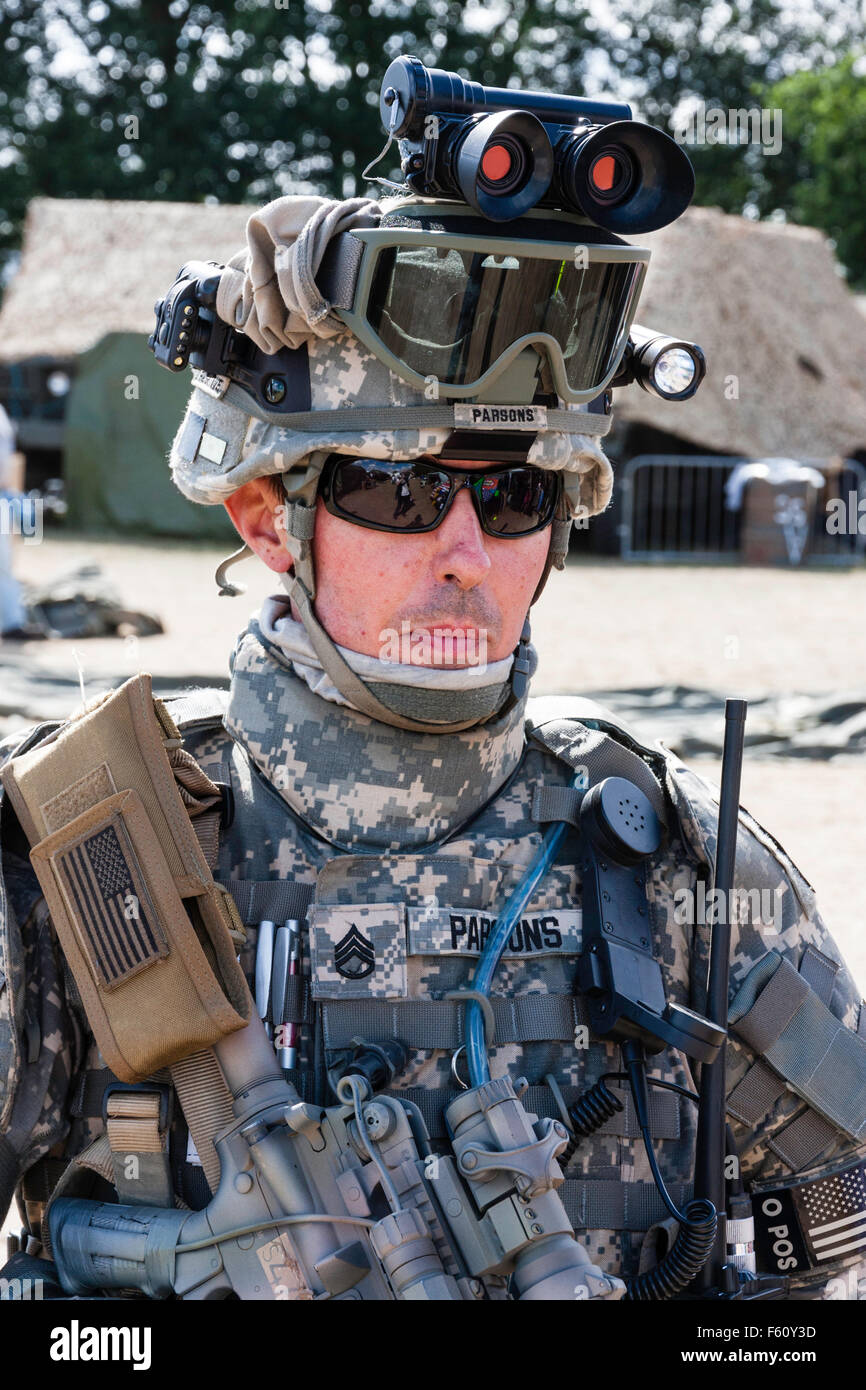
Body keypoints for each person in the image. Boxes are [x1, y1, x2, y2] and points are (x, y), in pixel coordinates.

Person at [0, 186, 864, 1304]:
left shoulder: (673, 859)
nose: (464, 552)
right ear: (268, 518)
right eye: (396, 490)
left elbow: (838, 1219)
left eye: (515, 495)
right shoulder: (80, 860)